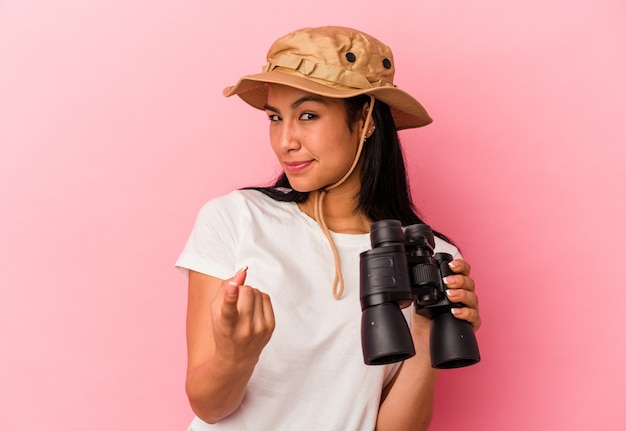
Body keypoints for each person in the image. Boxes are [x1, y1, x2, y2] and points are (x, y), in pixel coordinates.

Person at [176, 26, 481, 431]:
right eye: (274, 117)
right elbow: (209, 407)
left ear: (367, 120)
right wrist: (237, 356)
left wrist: (428, 331)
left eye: (308, 115)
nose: (285, 141)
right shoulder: (236, 217)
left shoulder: (426, 254)